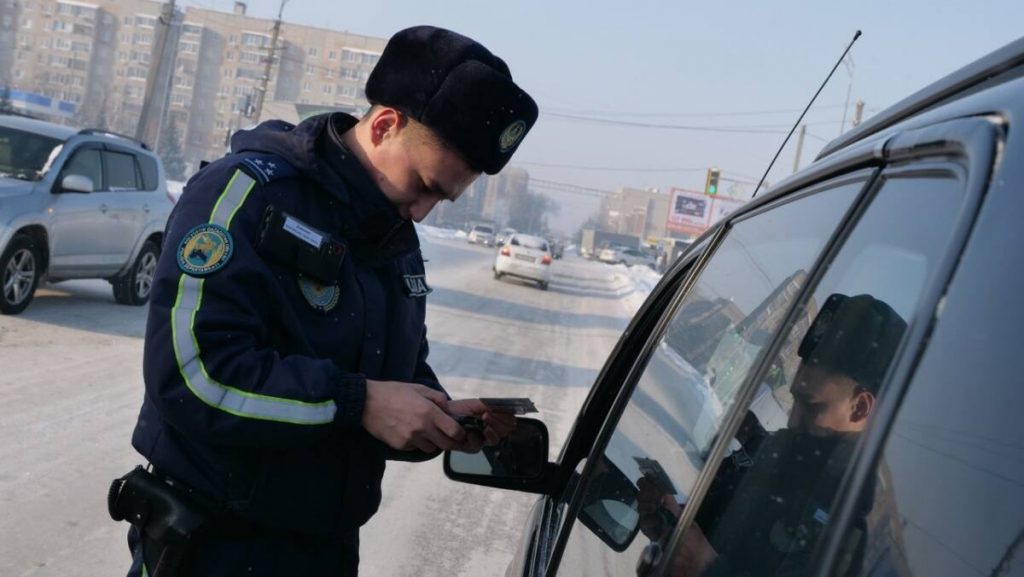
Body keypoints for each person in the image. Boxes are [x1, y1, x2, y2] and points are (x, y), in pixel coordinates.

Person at [118, 25, 538, 577]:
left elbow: (397, 372)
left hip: (325, 550)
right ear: (385, 125)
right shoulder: (244, 195)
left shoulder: (393, 240)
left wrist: (436, 415)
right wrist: (358, 402)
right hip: (213, 545)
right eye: (426, 185)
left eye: (444, 198)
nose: (422, 212)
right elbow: (191, 375)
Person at [639, 293, 911, 577]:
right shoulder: (777, 450)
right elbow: (716, 521)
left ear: (860, 407)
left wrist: (709, 568)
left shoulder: (866, 514)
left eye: (811, 406)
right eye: (795, 400)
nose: (793, 420)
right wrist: (670, 522)